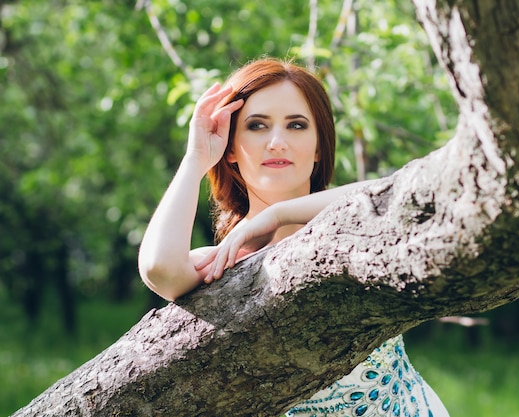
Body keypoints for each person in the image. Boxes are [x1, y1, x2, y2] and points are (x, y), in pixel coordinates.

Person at [138, 58, 449, 417]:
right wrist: (196, 158)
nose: (277, 143)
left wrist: (277, 215)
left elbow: (402, 191)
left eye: (296, 125)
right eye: (257, 126)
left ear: (319, 147)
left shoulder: (356, 223)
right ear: (231, 148)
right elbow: (159, 267)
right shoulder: (225, 259)